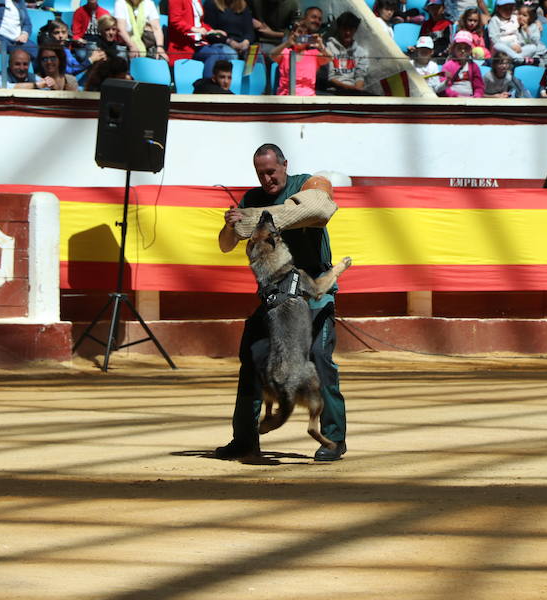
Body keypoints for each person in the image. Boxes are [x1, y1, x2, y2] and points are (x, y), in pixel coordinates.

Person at [215, 143, 348, 462]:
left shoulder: (305, 183)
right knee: (252, 359)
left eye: (272, 172)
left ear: (285, 165)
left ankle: (333, 439)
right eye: (260, 174)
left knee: (319, 358)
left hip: (312, 288)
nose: (267, 179)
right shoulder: (251, 199)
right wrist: (233, 224)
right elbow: (225, 245)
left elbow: (319, 210)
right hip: (275, 296)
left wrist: (259, 219)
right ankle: (245, 439)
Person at [269, 20, 330, 95]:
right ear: (293, 34)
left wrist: (321, 46)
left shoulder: (313, 54)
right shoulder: (285, 52)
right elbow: (272, 55)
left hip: (308, 97)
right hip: (286, 96)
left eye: (305, 35)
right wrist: (287, 43)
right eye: (300, 32)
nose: (302, 36)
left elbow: (329, 58)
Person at [198, 0, 255, 69]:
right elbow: (210, 33)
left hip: (242, 44)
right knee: (231, 54)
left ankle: (249, 79)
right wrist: (230, 42)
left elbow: (249, 31)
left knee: (256, 55)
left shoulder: (243, 6)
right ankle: (230, 79)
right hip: (222, 42)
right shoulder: (211, 4)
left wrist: (246, 42)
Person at [324, 11, 369, 95]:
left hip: (353, 92)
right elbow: (330, 77)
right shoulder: (328, 47)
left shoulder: (361, 52)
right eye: (345, 29)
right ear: (339, 28)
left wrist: (357, 90)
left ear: (355, 30)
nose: (347, 33)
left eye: (351, 29)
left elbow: (360, 76)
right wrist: (349, 88)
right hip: (333, 92)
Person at [488, 0, 544, 65]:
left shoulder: (515, 17)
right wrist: (510, 45)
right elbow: (494, 39)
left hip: (518, 48)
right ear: (498, 8)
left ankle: (514, 59)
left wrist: (536, 21)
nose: (508, 11)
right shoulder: (495, 20)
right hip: (503, 50)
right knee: (497, 45)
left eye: (510, 8)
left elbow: (528, 16)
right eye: (505, 9)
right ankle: (518, 59)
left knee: (533, 47)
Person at [438, 29, 484, 97]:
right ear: (454, 49)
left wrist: (477, 95)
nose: (463, 51)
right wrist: (456, 96)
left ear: (470, 50)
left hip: (471, 99)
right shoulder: (448, 66)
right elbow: (444, 87)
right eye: (459, 48)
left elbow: (479, 86)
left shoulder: (473, 66)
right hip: (453, 100)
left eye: (466, 48)